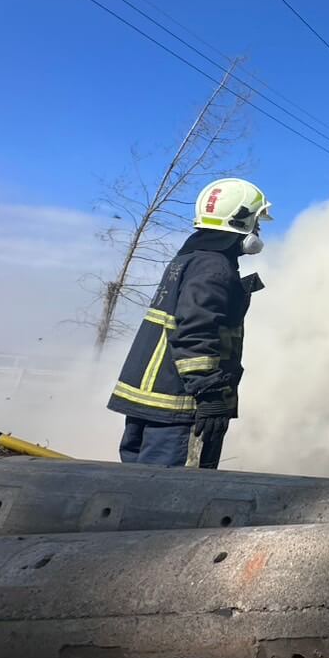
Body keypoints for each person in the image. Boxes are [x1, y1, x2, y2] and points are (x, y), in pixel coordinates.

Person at [108, 178, 270, 469]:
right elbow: (196, 330)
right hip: (178, 406)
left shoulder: (188, 259)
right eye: (257, 222)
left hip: (151, 403)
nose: (258, 230)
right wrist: (209, 394)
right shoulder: (214, 267)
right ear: (241, 222)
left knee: (132, 492)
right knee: (167, 500)